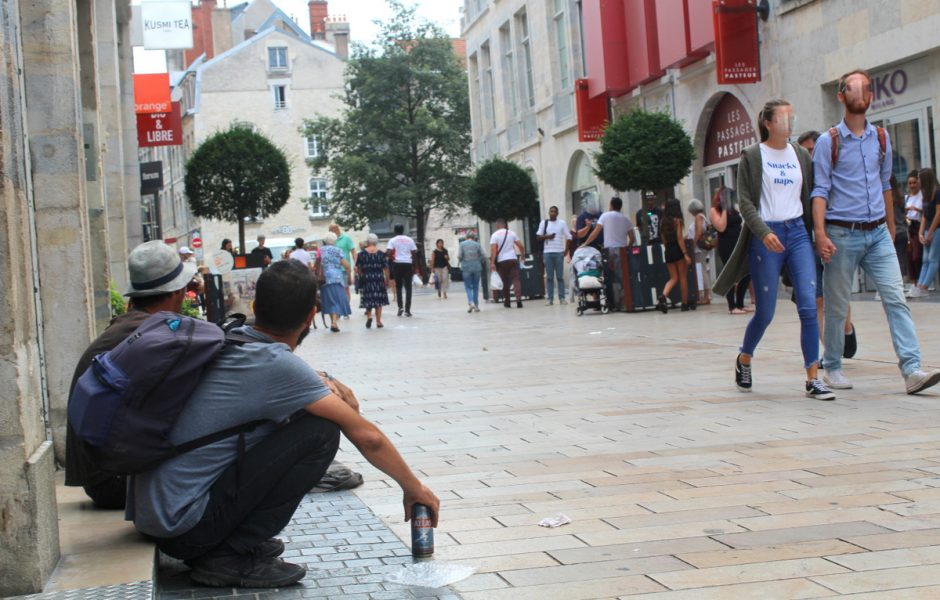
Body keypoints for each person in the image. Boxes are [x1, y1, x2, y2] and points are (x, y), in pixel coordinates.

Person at [125, 259, 439, 588]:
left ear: (256, 306)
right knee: (322, 432)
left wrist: (322, 381)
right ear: (310, 316)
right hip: (184, 529)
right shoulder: (275, 365)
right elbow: (368, 437)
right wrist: (415, 490)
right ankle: (227, 556)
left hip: (156, 515)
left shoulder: (229, 336)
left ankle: (233, 539)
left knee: (304, 415)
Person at [813, 69, 940, 394]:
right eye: (854, 88)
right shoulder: (830, 142)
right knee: (838, 305)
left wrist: (892, 225)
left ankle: (912, 370)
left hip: (878, 234)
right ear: (841, 96)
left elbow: (885, 184)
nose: (861, 92)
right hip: (841, 233)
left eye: (866, 88)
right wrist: (820, 233)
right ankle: (833, 366)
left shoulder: (881, 138)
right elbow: (820, 191)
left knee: (896, 298)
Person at [65, 240, 200, 509]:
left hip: (101, 477)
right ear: (176, 293)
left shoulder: (132, 328)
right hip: (114, 482)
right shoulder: (154, 335)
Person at [714, 99, 833, 400]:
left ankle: (812, 377)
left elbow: (813, 194)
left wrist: (820, 234)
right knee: (765, 312)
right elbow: (745, 203)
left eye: (791, 116)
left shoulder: (801, 155)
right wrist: (763, 231)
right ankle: (744, 357)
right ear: (767, 123)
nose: (789, 122)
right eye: (782, 117)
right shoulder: (753, 157)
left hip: (797, 233)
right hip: (765, 234)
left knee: (808, 303)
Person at [581, 197, 635, 310]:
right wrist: (628, 249)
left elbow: (595, 232)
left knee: (609, 279)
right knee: (623, 278)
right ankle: (624, 302)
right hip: (622, 251)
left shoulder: (605, 216)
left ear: (611, 205)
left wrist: (585, 243)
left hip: (609, 251)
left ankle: (611, 303)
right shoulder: (626, 219)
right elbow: (632, 238)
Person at [710, 186, 751, 314]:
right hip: (726, 244)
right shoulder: (714, 211)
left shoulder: (734, 209)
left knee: (746, 272)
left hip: (738, 242)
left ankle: (740, 303)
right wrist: (724, 209)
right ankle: (732, 306)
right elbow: (721, 227)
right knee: (730, 273)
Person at [909, 168, 940, 298]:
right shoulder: (925, 194)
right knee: (925, 259)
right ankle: (920, 286)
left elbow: (938, 214)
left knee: (933, 258)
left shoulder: (937, 192)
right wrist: (921, 233)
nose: (918, 181)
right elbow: (924, 216)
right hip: (928, 229)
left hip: (937, 229)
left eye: (920, 178)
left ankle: (924, 286)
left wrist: (931, 232)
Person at [657, 199, 690, 313]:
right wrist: (685, 254)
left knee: (673, 278)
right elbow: (679, 238)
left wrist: (668, 249)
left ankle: (663, 295)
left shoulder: (662, 222)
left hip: (668, 251)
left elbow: (663, 239)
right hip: (678, 250)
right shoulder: (677, 221)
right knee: (682, 278)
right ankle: (685, 303)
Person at [536, 205, 571, 305]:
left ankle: (562, 298)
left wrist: (566, 250)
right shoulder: (544, 223)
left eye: (555, 211)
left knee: (560, 277)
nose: (553, 213)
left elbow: (569, 237)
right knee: (549, 277)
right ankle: (550, 299)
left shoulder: (562, 223)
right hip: (547, 253)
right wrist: (548, 236)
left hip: (559, 252)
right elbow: (538, 237)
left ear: (557, 213)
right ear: (549, 212)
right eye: (551, 211)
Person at [316, 233, 352, 332]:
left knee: (329, 300)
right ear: (334, 241)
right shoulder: (338, 250)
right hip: (336, 278)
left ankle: (333, 322)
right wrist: (349, 276)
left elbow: (317, 263)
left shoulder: (321, 250)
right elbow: (347, 265)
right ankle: (334, 323)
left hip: (324, 278)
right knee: (337, 300)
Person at [355, 234, 389, 328]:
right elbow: (386, 268)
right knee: (378, 299)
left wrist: (362, 275)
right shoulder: (381, 254)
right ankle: (378, 321)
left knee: (368, 297)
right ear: (376, 242)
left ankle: (369, 316)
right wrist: (387, 279)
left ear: (368, 242)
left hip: (367, 278)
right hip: (378, 278)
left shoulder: (361, 254)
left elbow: (358, 268)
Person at [490, 219, 525, 308]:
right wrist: (522, 255)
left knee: (505, 282)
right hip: (512, 259)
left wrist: (492, 262)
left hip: (502, 261)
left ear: (497, 225)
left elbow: (494, 250)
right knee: (516, 280)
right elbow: (521, 246)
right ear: (505, 225)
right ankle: (518, 300)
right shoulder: (512, 233)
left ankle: (507, 301)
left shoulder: (494, 235)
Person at [387, 224, 418, 317]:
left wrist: (392, 259)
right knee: (408, 288)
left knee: (399, 287)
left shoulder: (392, 240)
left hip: (397, 264)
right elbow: (414, 253)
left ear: (395, 231)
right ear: (403, 230)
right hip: (408, 264)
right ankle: (407, 310)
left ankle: (400, 308)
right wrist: (415, 266)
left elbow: (388, 252)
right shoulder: (410, 239)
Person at [687, 199, 712, 305]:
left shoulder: (698, 217)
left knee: (702, 271)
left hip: (699, 249)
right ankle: (706, 295)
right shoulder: (703, 217)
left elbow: (698, 233)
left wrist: (692, 246)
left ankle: (707, 296)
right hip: (703, 249)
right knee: (704, 270)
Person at [330, 224, 356, 306]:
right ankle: (339, 308)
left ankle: (346, 308)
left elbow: (353, 251)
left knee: (346, 289)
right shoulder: (330, 241)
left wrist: (356, 263)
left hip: (345, 269)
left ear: (335, 230)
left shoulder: (346, 238)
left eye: (330, 231)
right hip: (333, 269)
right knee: (336, 290)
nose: (329, 232)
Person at [458, 232, 485, 312]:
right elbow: (483, 255)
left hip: (466, 267)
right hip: (477, 267)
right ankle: (476, 305)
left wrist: (460, 260)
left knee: (468, 286)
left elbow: (460, 256)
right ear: (473, 237)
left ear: (466, 237)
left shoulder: (462, 244)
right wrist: (479, 261)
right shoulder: (477, 244)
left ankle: (471, 302)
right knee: (476, 286)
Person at [905, 169, 924, 283]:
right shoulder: (907, 198)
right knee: (909, 254)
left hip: (918, 225)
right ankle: (914, 283)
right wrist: (905, 210)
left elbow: (926, 211)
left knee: (916, 255)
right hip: (909, 226)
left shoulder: (922, 196)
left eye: (914, 182)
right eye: (910, 183)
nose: (912, 185)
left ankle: (922, 281)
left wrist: (917, 209)